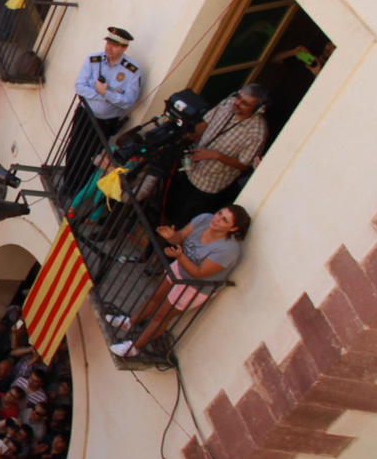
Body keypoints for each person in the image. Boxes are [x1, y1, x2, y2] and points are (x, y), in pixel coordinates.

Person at [108, 204, 249, 358]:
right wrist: (171, 237)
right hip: (180, 267)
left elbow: (199, 273)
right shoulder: (204, 219)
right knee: (155, 296)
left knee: (162, 315)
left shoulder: (228, 250)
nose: (217, 219)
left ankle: (133, 348)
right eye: (219, 213)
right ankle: (129, 322)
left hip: (196, 287)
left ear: (233, 229)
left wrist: (180, 256)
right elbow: (180, 237)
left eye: (224, 220)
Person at [167, 82, 269, 222]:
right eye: (239, 96)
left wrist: (216, 156)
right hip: (189, 169)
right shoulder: (229, 102)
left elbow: (244, 164)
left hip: (208, 185)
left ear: (258, 109)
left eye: (244, 103)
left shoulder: (257, 132)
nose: (237, 102)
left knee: (182, 221)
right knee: (169, 211)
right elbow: (206, 123)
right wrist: (189, 133)